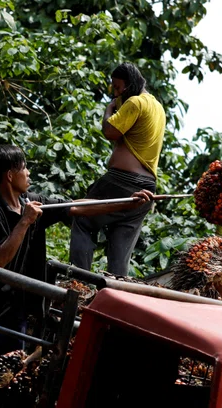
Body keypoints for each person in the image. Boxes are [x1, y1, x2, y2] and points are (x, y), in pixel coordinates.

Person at [0, 144, 152, 406]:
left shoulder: (33, 202)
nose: (29, 172)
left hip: (19, 311)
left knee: (10, 374)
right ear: (10, 175)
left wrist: (125, 203)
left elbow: (76, 207)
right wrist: (24, 222)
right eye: (23, 167)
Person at [70, 63, 165, 276]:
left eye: (118, 87)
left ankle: (78, 281)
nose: (115, 92)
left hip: (122, 182)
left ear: (130, 84)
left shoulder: (135, 102)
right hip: (147, 187)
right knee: (120, 248)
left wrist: (109, 109)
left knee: (82, 218)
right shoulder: (157, 106)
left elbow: (110, 131)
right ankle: (117, 290)